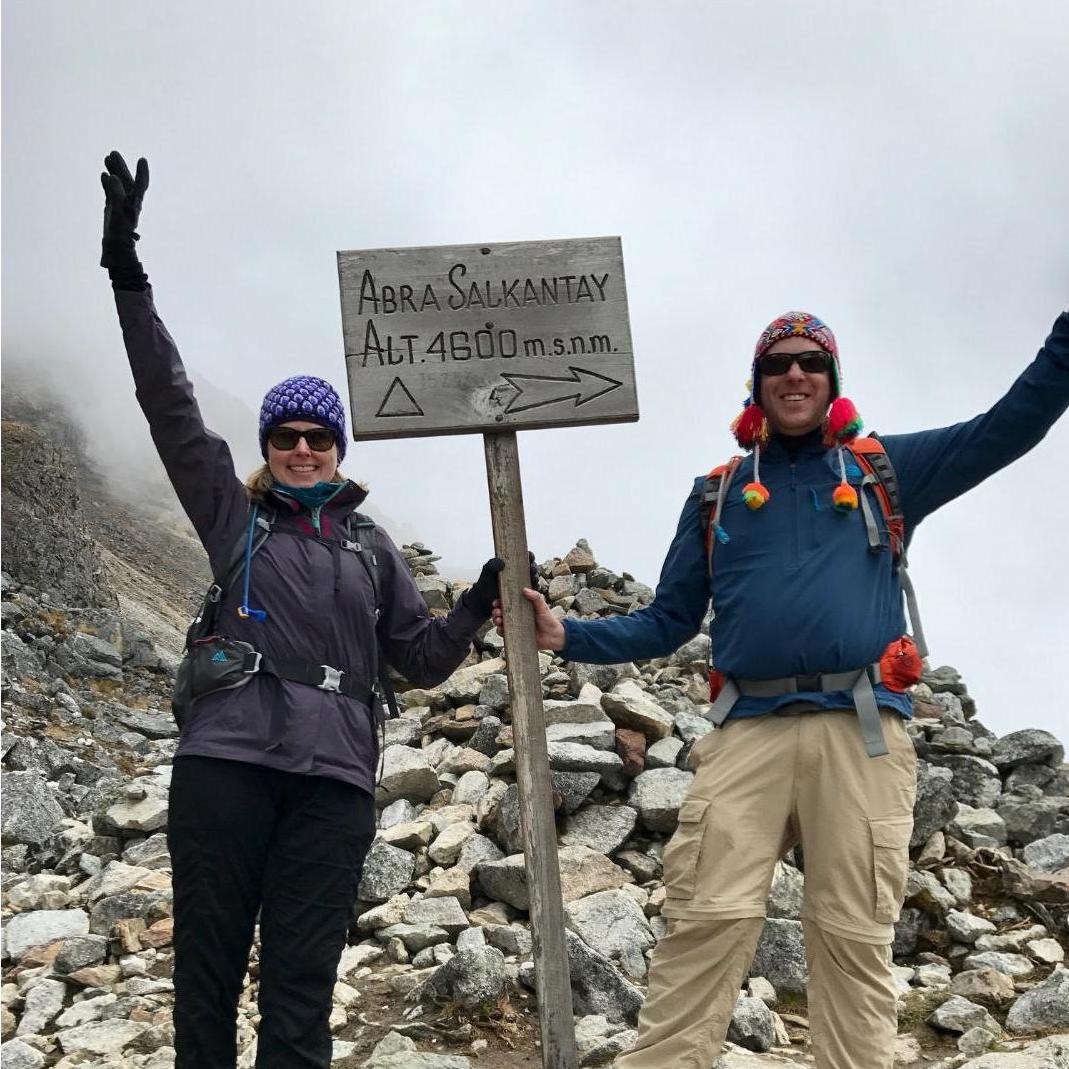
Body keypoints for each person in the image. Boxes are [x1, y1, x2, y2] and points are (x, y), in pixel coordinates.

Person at [495, 308, 1069, 1068]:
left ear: (832, 380)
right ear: (756, 385)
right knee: (704, 922)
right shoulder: (716, 494)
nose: (793, 374)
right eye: (777, 364)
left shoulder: (882, 471)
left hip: (860, 729)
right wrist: (569, 636)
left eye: (810, 362)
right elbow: (668, 619)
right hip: (747, 731)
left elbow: (1009, 424)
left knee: (853, 937)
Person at [99, 151, 508, 1069]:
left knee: (301, 987)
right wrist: (126, 269)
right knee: (205, 972)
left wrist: (480, 601)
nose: (300, 448)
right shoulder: (231, 514)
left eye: (317, 436)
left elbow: (420, 657)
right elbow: (167, 402)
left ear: (337, 446)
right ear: (267, 446)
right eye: (284, 436)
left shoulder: (371, 547)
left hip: (333, 782)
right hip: (226, 764)